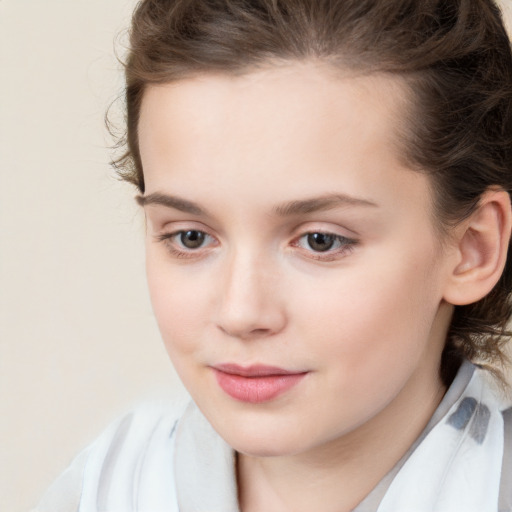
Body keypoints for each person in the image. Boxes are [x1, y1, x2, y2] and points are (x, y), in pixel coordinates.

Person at [35, 0, 512, 511]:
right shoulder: (100, 492)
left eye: (319, 240)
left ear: (472, 249)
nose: (240, 313)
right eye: (191, 237)